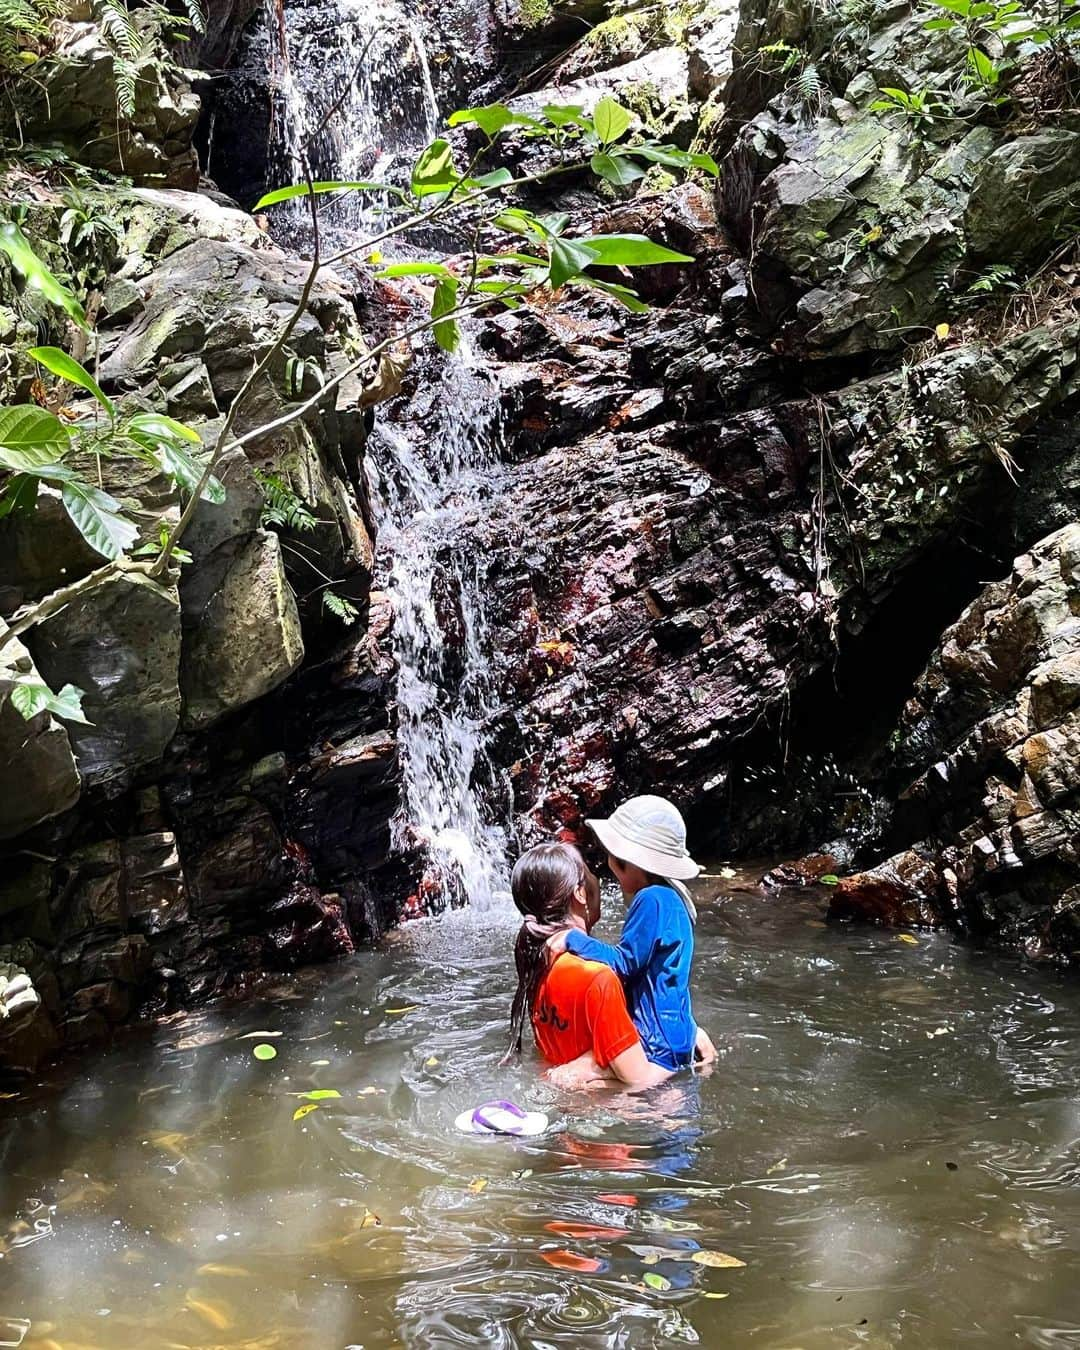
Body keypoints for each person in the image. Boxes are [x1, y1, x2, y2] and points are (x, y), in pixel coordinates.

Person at [547, 795, 715, 1072]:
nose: (609, 864)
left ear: (630, 861)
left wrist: (572, 938)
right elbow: (669, 978)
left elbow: (623, 963)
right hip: (675, 1034)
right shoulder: (674, 899)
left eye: (613, 858)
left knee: (572, 1081)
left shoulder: (650, 899)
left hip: (653, 1042)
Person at [504, 842, 672, 1089]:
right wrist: (688, 1053)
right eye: (590, 870)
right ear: (580, 893)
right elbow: (640, 1082)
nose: (597, 878)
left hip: (556, 1104)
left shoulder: (535, 958)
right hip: (601, 1118)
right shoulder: (598, 977)